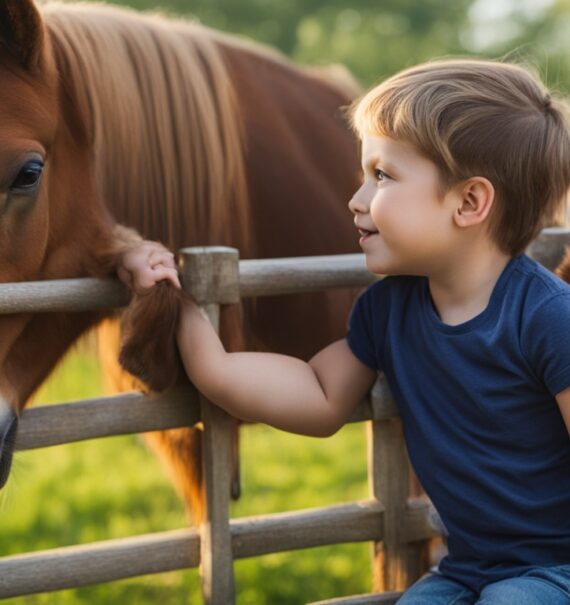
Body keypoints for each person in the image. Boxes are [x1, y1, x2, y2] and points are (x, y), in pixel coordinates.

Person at [118, 58, 570, 604]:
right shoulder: (388, 310)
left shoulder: (548, 317)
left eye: (382, 176)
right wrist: (181, 302)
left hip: (556, 570)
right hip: (466, 570)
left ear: (468, 202)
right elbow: (318, 394)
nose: (355, 199)